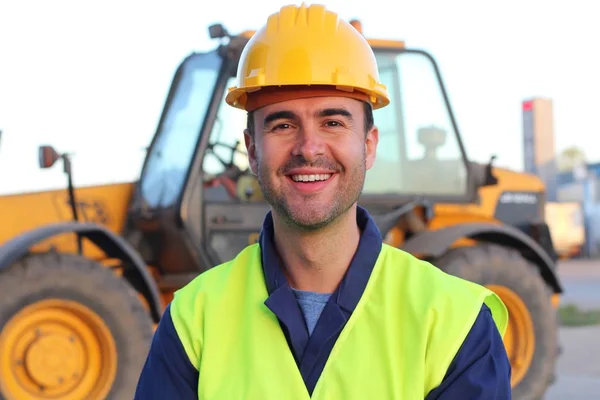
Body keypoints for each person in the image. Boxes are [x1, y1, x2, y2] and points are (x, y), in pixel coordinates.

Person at [134, 3, 512, 399]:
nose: (309, 148)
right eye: (283, 125)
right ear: (252, 149)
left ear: (368, 146)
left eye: (332, 122)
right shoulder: (195, 318)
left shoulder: (456, 322)